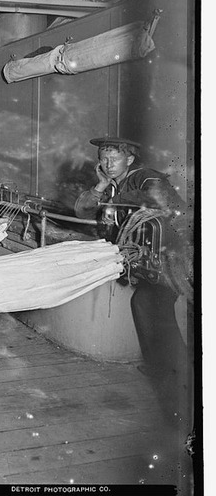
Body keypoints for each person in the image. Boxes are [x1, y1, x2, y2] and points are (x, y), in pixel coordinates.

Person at [74, 136, 190, 421]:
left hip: (168, 259)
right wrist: (101, 186)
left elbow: (161, 198)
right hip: (146, 261)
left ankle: (177, 384)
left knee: (151, 306)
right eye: (103, 158)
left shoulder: (145, 177)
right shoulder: (112, 184)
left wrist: (114, 201)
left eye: (114, 158)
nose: (108, 164)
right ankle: (165, 368)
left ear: (129, 159)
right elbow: (82, 210)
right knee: (145, 305)